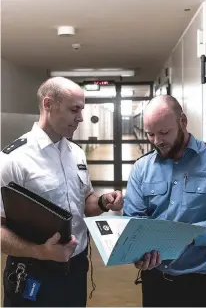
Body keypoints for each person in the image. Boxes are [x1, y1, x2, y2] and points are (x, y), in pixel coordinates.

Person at [0, 77, 123, 307]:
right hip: (32, 272)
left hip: (75, 269)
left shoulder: (76, 154)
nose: (81, 117)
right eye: (74, 109)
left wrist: (104, 201)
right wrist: (40, 252)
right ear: (48, 104)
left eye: (82, 109)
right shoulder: (13, 159)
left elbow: (85, 202)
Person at [124, 95, 206, 307]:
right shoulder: (141, 169)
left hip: (205, 283)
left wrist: (191, 234)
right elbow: (134, 221)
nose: (157, 141)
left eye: (164, 132)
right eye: (150, 134)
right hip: (156, 281)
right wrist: (136, 252)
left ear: (183, 122)